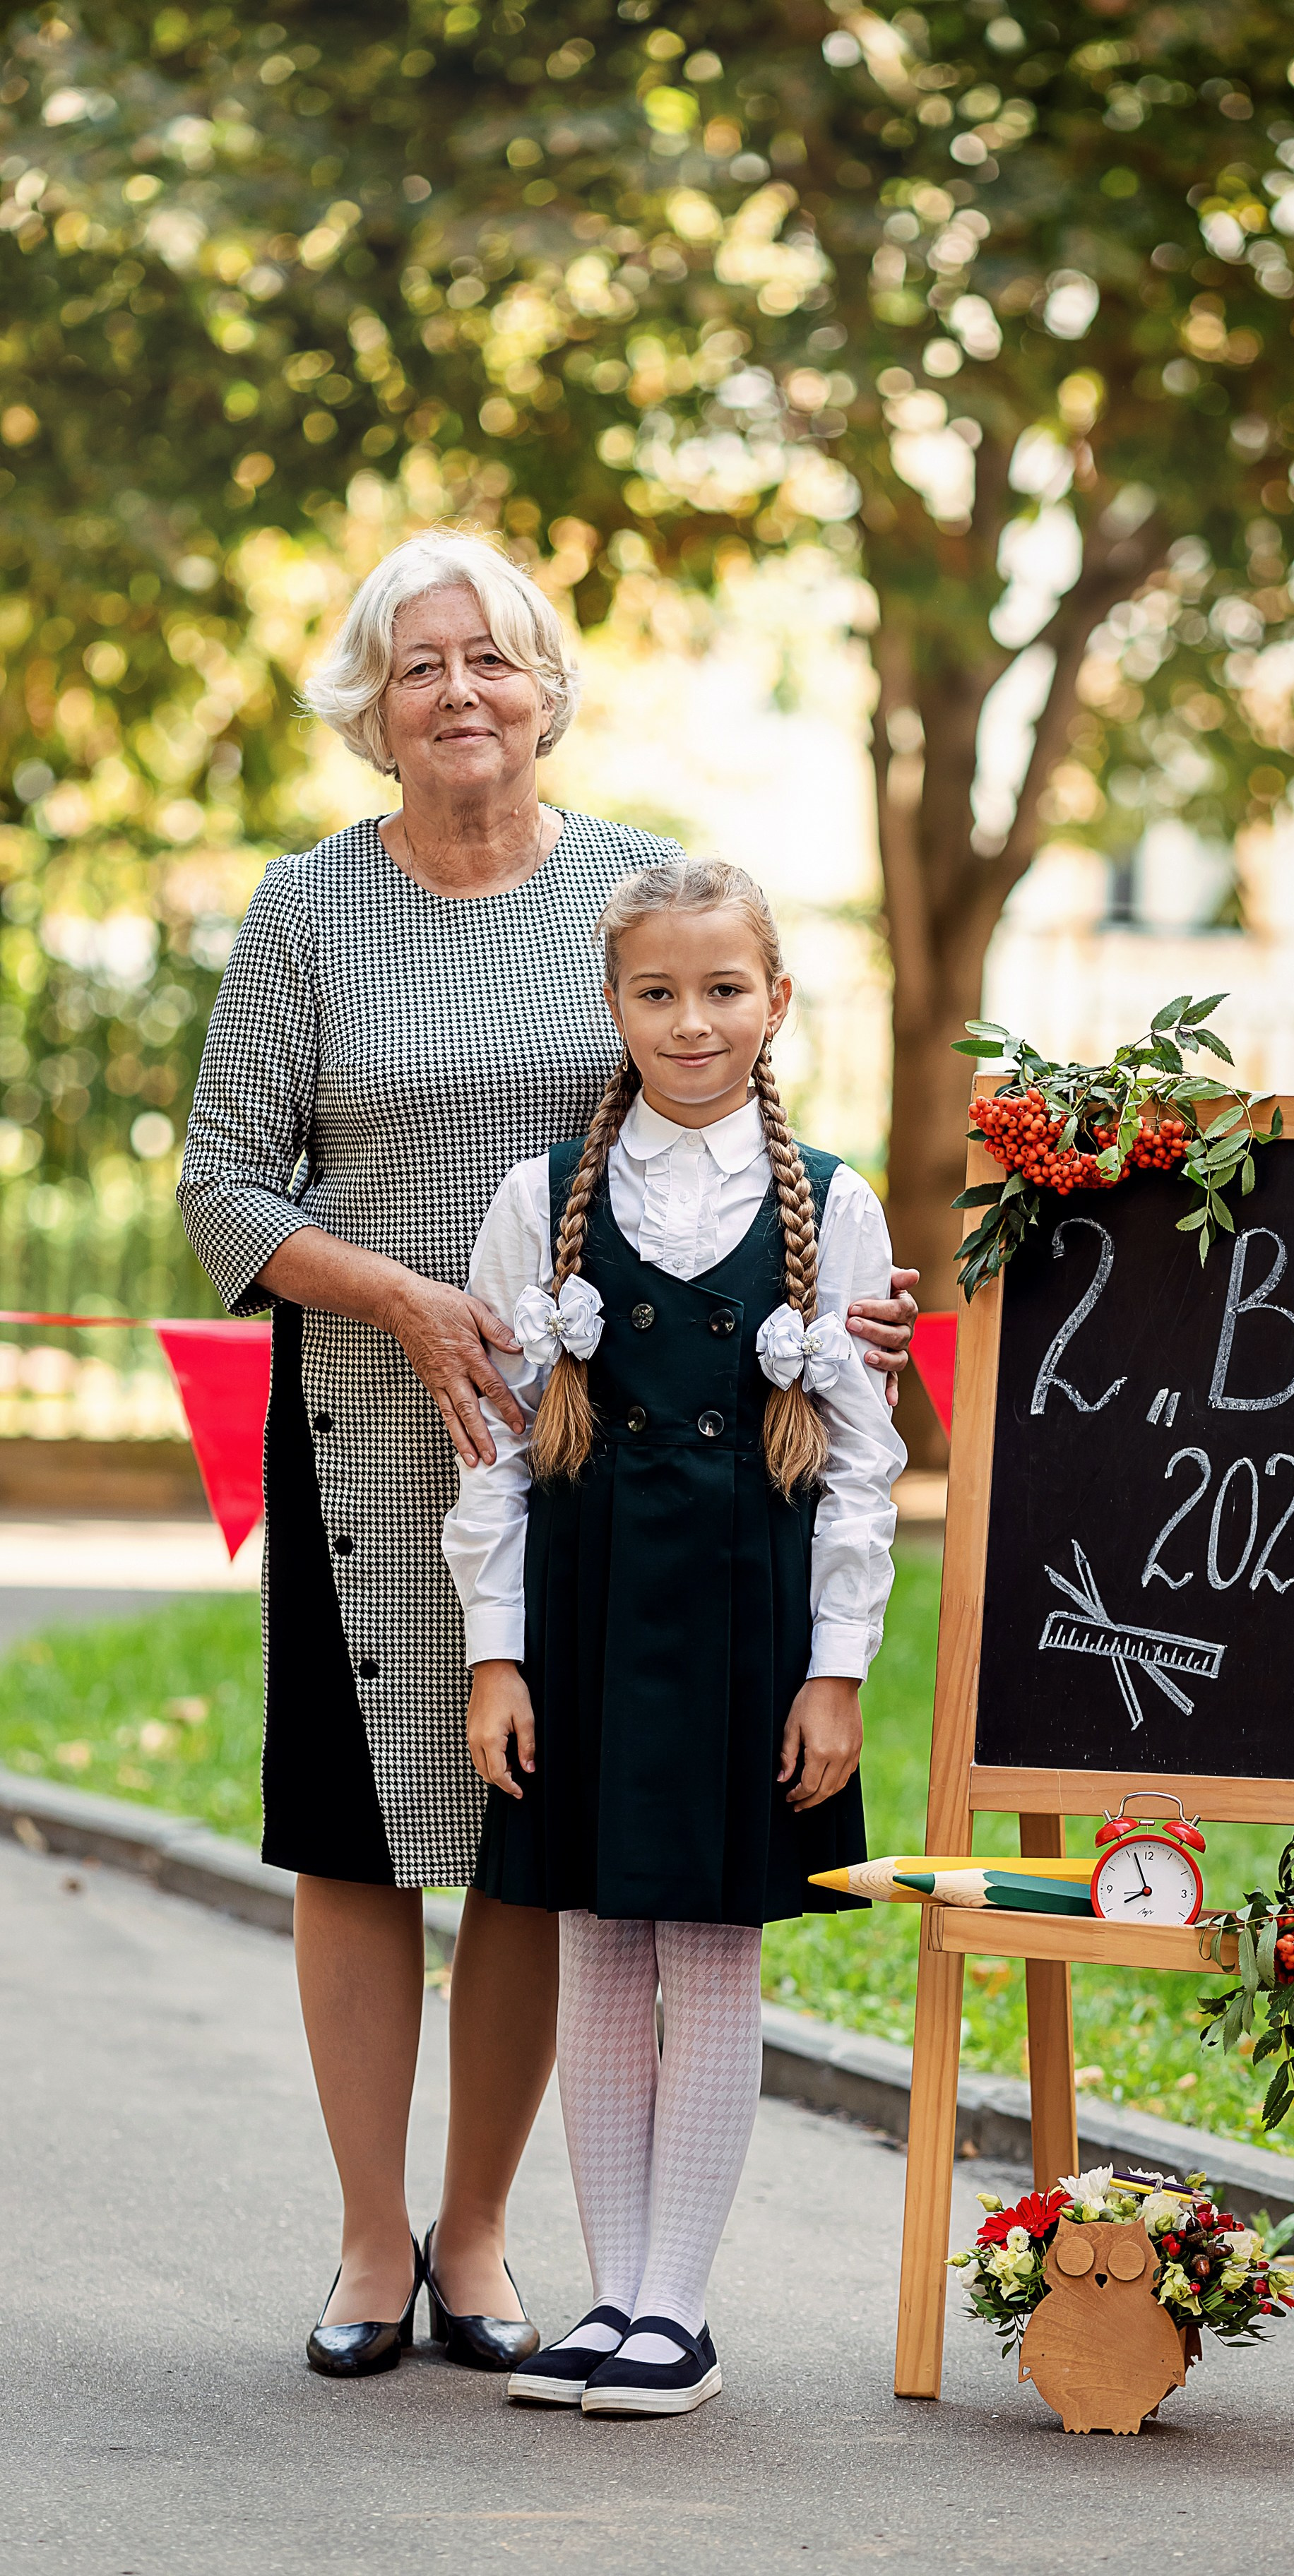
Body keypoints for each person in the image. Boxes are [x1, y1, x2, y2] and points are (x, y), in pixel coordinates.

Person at [177, 532, 919, 2380]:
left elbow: (724, 1126)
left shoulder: (623, 894)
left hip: (585, 1462)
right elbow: (218, 1189)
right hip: (366, 1424)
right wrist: (408, 1303)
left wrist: (839, 1308)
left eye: (490, 660)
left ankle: (483, 2236)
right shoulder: (304, 910)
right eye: (419, 664)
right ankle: (369, 2245)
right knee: (362, 1846)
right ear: (374, 703)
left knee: (532, 1846)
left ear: (543, 687)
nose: (459, 693)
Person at [441, 857, 905, 2416]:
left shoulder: (832, 1205)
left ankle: (678, 2311)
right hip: (581, 1621)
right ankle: (607, 2292)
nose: (690, 1021)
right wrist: (495, 1655)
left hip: (747, 1628)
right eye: (657, 991)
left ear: (776, 1003)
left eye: (723, 990)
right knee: (594, 1939)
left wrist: (834, 1671)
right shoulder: (542, 1194)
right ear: (615, 1004)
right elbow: (495, 1449)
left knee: (709, 1952)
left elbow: (861, 1462)